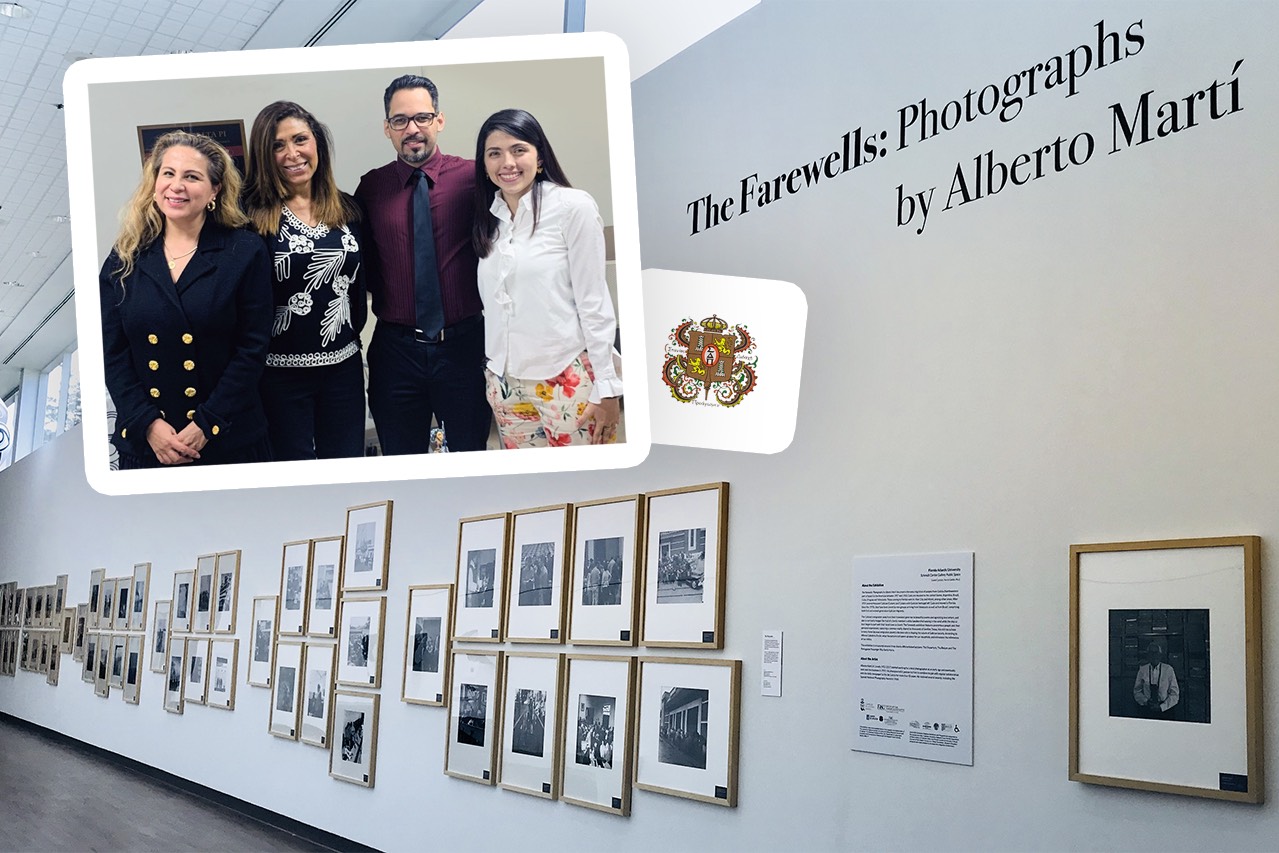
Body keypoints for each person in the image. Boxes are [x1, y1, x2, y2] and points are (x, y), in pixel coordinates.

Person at [100, 130, 272, 468]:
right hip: (147, 444)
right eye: (168, 173)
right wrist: (148, 423)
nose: (176, 186)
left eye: (191, 177)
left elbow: (252, 349)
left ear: (215, 190)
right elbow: (111, 353)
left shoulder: (244, 251)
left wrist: (208, 423)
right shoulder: (124, 257)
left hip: (228, 438)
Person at [354, 74, 491, 454]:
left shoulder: (474, 178)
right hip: (395, 352)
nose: (412, 129)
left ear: (439, 121)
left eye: (422, 118)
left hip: (464, 346)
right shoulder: (372, 188)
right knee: (401, 459)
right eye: (400, 120)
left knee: (470, 455)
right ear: (387, 128)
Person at [472, 108, 622, 448]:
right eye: (494, 154)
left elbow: (594, 301)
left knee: (585, 485)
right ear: (484, 164)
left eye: (518, 150)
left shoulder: (572, 207)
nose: (507, 163)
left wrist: (608, 387)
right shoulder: (489, 220)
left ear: (539, 158)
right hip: (505, 383)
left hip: (565, 378)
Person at [243, 101, 368, 460]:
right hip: (277, 377)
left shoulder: (349, 209)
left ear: (318, 145)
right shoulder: (247, 217)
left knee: (346, 470)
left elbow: (358, 288)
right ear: (264, 156)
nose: (292, 153)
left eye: (300, 140)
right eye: (277, 145)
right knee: (291, 475)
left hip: (344, 370)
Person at [1133, 641, 1179, 719]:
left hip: (1165, 710)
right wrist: (1145, 701)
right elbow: (1137, 691)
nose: (1154, 655)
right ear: (1148, 655)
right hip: (1147, 709)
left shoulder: (1168, 670)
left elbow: (1174, 694)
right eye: (1151, 653)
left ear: (1160, 655)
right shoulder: (1142, 670)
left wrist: (1162, 707)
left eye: (1156, 652)